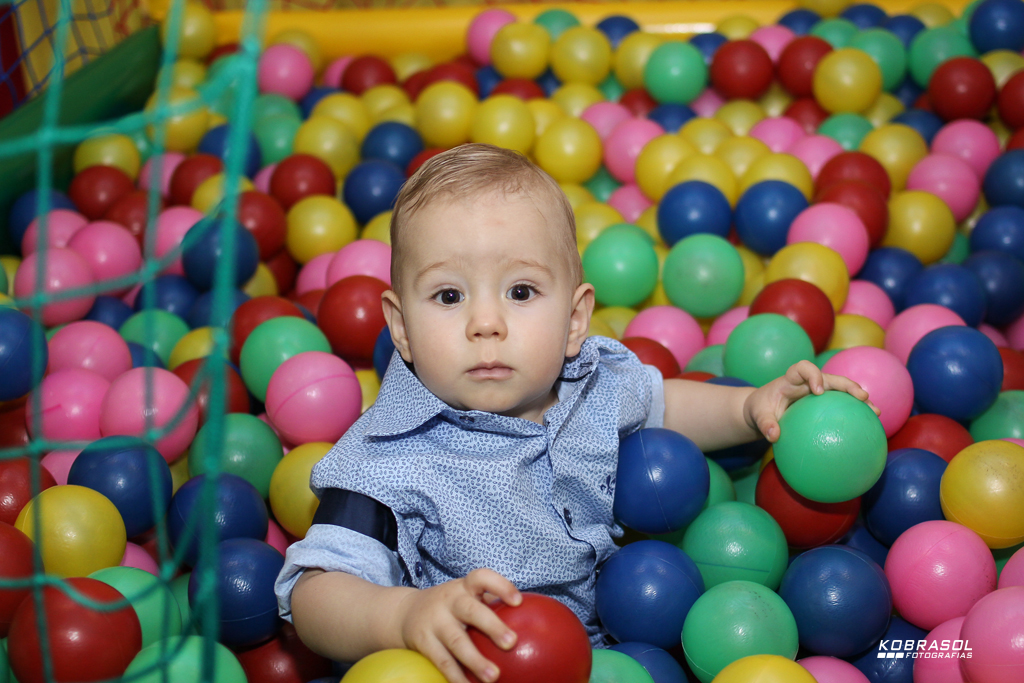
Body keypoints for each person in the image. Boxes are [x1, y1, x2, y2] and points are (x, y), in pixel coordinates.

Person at [275, 143, 875, 683]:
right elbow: (315, 594)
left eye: (521, 292)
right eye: (449, 296)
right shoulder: (385, 457)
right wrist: (405, 617)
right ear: (401, 328)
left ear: (575, 320)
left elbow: (666, 404)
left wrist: (749, 407)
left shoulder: (592, 383)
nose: (486, 324)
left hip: (626, 642)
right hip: (479, 666)